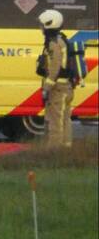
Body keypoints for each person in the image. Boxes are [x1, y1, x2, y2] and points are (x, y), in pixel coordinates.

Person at [39, 9, 75, 148]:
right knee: (65, 120)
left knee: (56, 121)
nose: (41, 28)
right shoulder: (62, 39)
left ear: (49, 24)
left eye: (42, 25)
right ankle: (66, 148)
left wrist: (46, 88)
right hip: (67, 87)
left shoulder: (54, 43)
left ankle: (55, 150)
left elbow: (54, 68)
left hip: (58, 88)